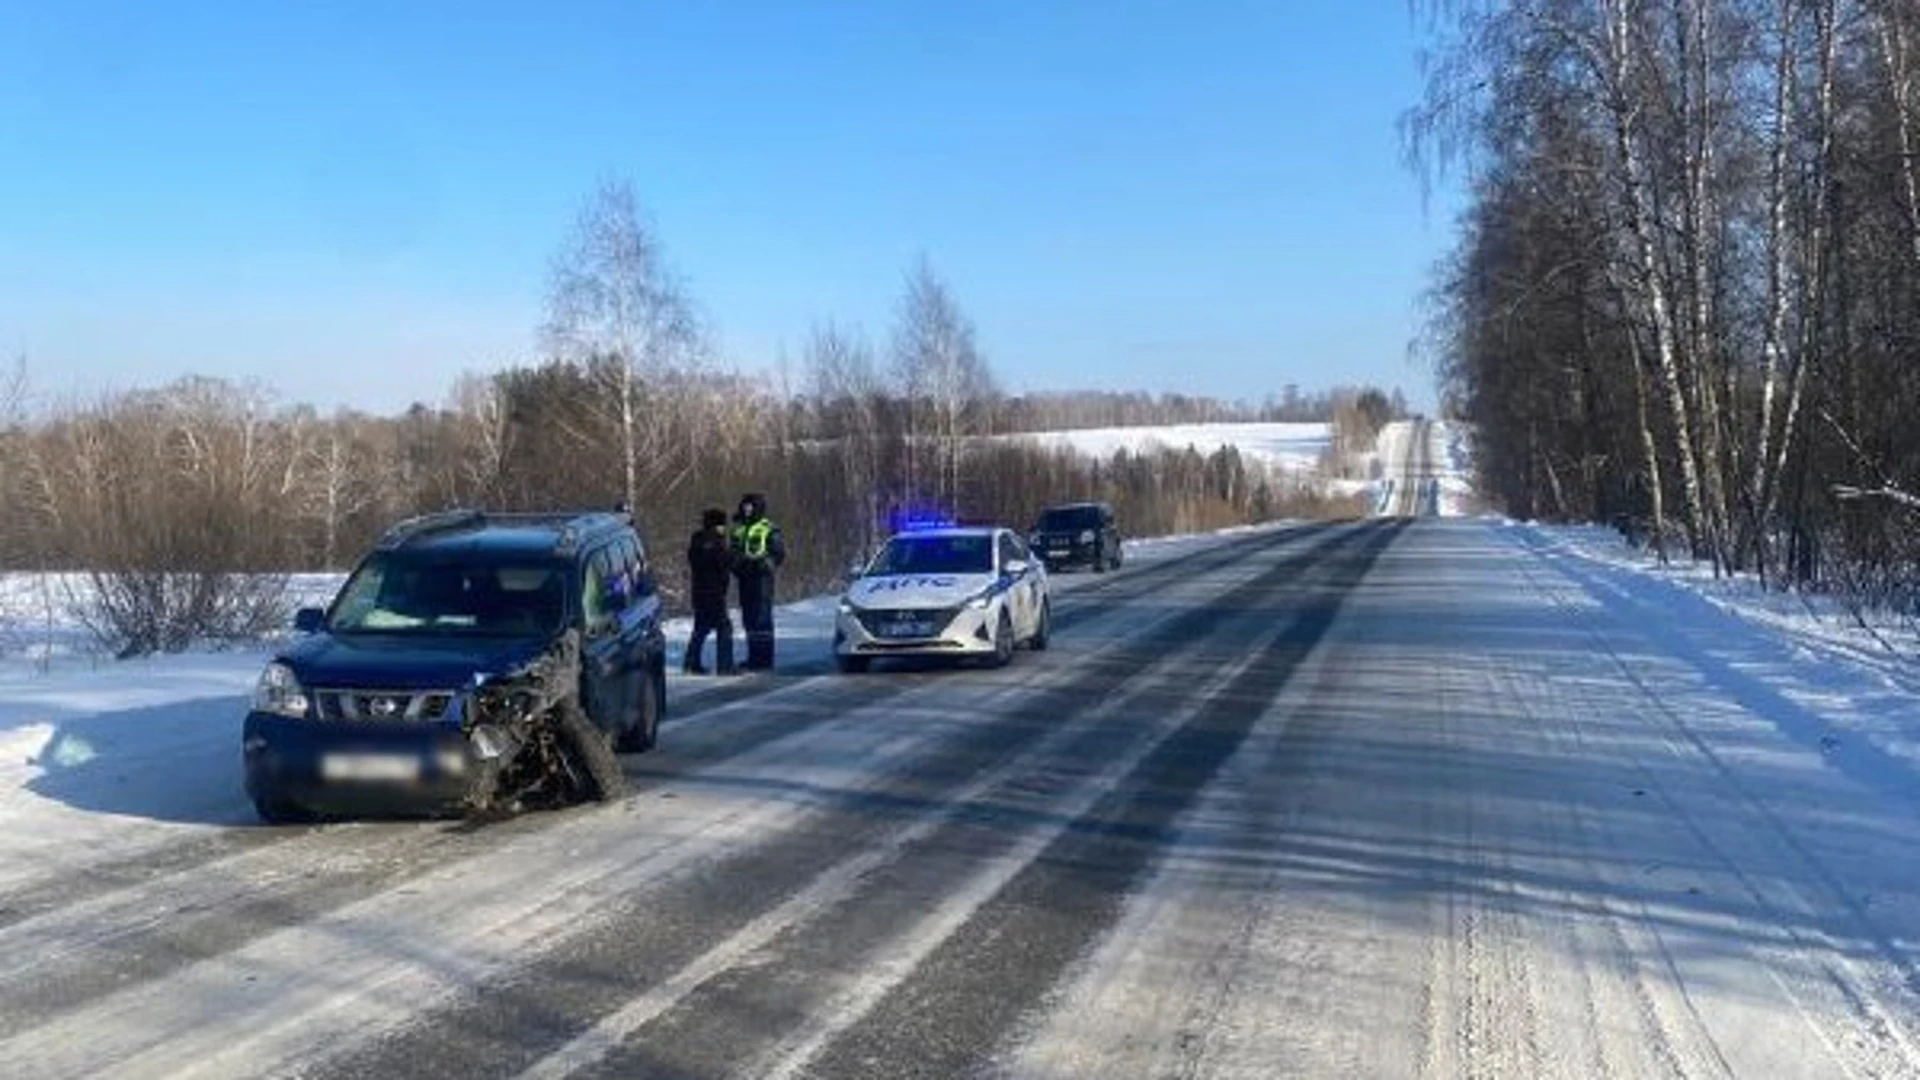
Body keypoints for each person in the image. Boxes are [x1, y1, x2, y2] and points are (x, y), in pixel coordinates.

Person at [730, 492, 786, 671]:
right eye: (744, 506)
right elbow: (732, 552)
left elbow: (778, 554)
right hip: (745, 578)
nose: (746, 510)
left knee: (762, 620)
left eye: (750, 506)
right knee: (749, 620)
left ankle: (764, 660)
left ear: (758, 507)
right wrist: (737, 566)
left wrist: (764, 564)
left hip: (762, 580)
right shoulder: (737, 528)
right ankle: (753, 658)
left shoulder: (769, 528)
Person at [684, 507, 737, 675]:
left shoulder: (696, 540)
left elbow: (693, 561)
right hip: (714, 592)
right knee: (724, 628)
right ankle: (725, 665)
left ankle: (691, 662)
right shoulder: (717, 542)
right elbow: (725, 563)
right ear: (716, 525)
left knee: (701, 627)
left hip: (699, 591)